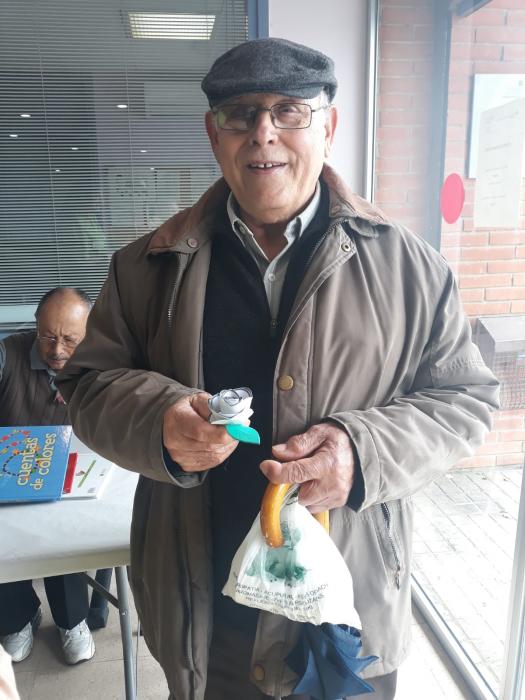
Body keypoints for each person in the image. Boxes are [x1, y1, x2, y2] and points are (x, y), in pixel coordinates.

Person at [56, 38, 499, 700]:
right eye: (240, 114)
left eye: (290, 110)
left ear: (329, 126)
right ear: (214, 135)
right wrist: (157, 422)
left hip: (348, 614)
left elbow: (465, 399)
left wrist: (362, 452)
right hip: (204, 614)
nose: (263, 133)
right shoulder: (143, 267)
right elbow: (88, 386)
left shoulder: (410, 267)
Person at [0, 287, 99, 666]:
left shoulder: (99, 362)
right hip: (11, 472)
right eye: (47, 336)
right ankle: (18, 619)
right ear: (35, 327)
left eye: (70, 340)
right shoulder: (9, 353)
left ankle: (72, 621)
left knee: (66, 531)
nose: (57, 350)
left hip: (71, 476)